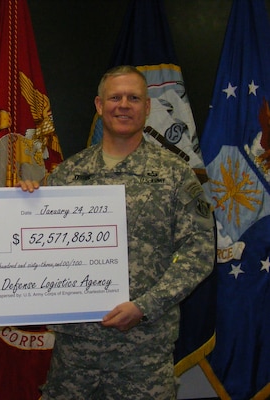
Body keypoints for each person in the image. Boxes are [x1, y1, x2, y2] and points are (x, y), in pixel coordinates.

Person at [40, 65, 215, 399]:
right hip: (76, 351)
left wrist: (146, 306)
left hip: (143, 351)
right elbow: (41, 246)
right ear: (99, 105)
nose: (123, 105)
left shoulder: (176, 175)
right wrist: (25, 203)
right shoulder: (67, 175)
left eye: (134, 98)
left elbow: (199, 252)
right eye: (115, 97)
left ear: (147, 107)